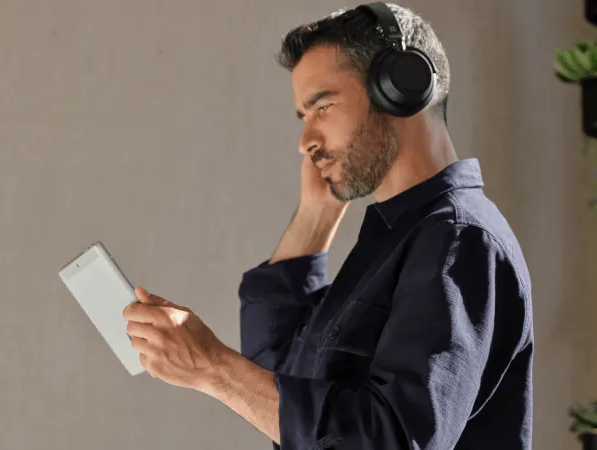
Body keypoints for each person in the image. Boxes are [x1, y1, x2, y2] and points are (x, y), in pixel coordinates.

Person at [123, 2, 533, 449]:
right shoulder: (394, 241)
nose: (305, 142)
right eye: (303, 117)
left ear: (401, 87)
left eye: (322, 107)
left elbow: (392, 439)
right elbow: (277, 370)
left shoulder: (457, 239)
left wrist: (214, 367)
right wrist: (315, 216)